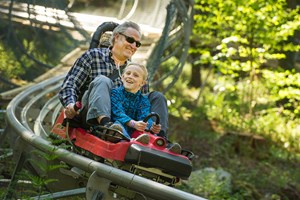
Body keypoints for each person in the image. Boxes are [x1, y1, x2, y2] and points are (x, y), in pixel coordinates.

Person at [58, 21, 169, 139]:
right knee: (103, 81)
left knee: (157, 96)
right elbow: (69, 85)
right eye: (130, 40)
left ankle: (159, 138)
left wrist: (146, 123)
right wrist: (70, 104)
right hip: (91, 115)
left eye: (137, 44)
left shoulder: (135, 72)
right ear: (116, 37)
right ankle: (107, 126)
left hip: (125, 122)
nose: (133, 46)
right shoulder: (93, 56)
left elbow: (142, 103)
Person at [110, 62, 181, 153]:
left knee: (146, 133)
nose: (130, 76)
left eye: (135, 75)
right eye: (128, 73)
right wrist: (133, 123)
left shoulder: (143, 100)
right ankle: (130, 142)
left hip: (134, 130)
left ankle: (163, 147)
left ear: (142, 83)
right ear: (122, 77)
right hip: (119, 125)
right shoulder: (115, 93)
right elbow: (117, 113)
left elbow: (144, 115)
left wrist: (151, 127)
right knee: (118, 126)